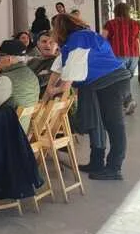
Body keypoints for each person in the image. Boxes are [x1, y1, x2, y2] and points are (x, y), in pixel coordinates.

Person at [47, 13, 131, 181]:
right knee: (100, 124)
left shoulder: (79, 39)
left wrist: (54, 91)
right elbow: (60, 65)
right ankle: (97, 163)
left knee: (114, 126)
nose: (53, 33)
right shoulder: (80, 37)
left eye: (54, 29)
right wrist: (50, 86)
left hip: (111, 83)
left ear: (61, 28)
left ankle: (114, 168)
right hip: (104, 83)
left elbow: (68, 76)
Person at [102, 2, 140, 115]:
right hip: (133, 57)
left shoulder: (110, 24)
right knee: (125, 79)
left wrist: (101, 55)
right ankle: (126, 102)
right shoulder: (135, 24)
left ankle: (127, 101)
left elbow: (102, 40)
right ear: (128, 11)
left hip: (117, 55)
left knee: (119, 80)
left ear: (115, 11)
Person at [0, 40, 40, 115]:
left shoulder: (6, 78)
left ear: (9, 59)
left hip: (6, 121)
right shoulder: (31, 74)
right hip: (25, 120)